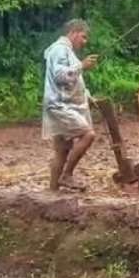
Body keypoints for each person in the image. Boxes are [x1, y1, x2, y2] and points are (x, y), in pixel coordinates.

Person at [42, 19, 99, 191]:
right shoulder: (60, 50)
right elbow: (60, 76)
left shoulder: (66, 51)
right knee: (88, 134)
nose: (84, 41)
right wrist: (82, 65)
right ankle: (67, 175)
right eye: (83, 36)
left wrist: (87, 96)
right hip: (60, 106)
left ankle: (52, 192)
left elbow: (73, 82)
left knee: (62, 150)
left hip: (59, 105)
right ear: (73, 32)